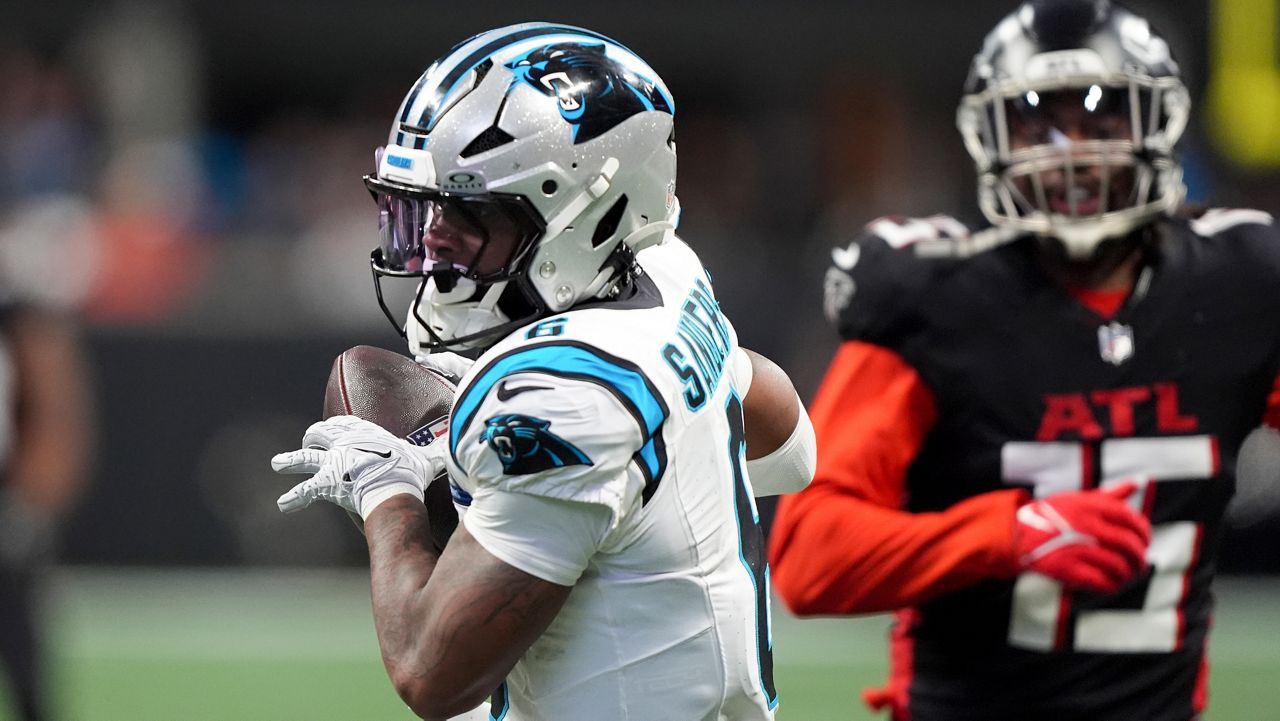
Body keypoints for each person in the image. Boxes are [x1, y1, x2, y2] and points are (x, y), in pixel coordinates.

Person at [269, 23, 815, 721]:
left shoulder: (566, 397)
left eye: (472, 216)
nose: (435, 248)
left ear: (590, 214)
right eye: (430, 210)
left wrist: (387, 490)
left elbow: (429, 673)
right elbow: (794, 450)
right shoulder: (661, 271)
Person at [768, 1, 1280, 720]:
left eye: (1101, 119)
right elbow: (807, 555)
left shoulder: (1239, 285)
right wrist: (1007, 533)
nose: (1070, 149)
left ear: (1157, 124)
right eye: (1038, 120)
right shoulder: (936, 300)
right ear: (992, 136)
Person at [0, 293, 95, 721]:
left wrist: (31, 501)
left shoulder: (22, 325)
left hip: (8, 500)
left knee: (18, 639)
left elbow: (57, 418)